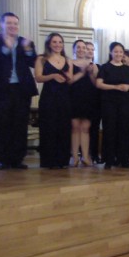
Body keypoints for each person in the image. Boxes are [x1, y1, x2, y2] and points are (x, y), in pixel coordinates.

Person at [0, 12, 38, 170]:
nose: (13, 26)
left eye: (15, 23)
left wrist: (28, 50)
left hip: (22, 90)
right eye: (9, 23)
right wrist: (3, 48)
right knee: (2, 124)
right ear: (2, 24)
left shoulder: (24, 42)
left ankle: (18, 158)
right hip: (1, 89)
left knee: (20, 124)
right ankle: (3, 159)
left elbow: (33, 63)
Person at [96, 42, 129, 169]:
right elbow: (99, 84)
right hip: (109, 103)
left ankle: (123, 159)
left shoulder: (128, 69)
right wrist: (115, 87)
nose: (118, 54)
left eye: (121, 52)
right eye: (116, 51)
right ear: (111, 53)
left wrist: (128, 87)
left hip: (125, 103)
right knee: (109, 130)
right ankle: (109, 159)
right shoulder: (105, 67)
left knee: (124, 130)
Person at [35, 32, 74, 169]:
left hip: (64, 97)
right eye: (54, 42)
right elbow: (38, 77)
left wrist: (68, 77)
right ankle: (48, 160)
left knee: (63, 127)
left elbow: (70, 79)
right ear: (49, 44)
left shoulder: (67, 60)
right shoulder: (41, 59)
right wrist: (52, 76)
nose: (58, 45)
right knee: (48, 127)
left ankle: (62, 159)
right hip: (49, 97)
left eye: (60, 42)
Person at [70, 39, 99, 167]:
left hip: (89, 98)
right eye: (79, 47)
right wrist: (82, 73)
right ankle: (75, 156)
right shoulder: (70, 63)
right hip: (74, 97)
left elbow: (96, 83)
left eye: (84, 48)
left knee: (86, 128)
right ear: (74, 49)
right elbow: (69, 81)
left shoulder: (93, 64)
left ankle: (86, 157)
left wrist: (91, 73)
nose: (82, 50)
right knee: (75, 127)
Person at [85, 41, 103, 164]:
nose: (90, 51)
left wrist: (92, 73)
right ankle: (82, 154)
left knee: (94, 129)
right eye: (87, 49)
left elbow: (97, 84)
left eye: (92, 49)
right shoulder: (74, 65)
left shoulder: (98, 66)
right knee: (80, 128)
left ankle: (94, 154)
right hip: (80, 100)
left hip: (95, 101)